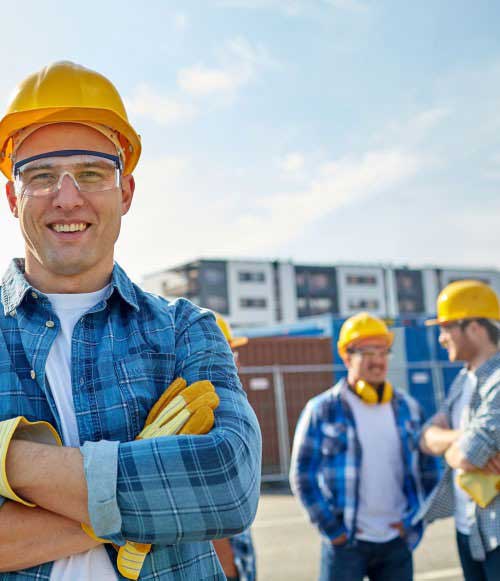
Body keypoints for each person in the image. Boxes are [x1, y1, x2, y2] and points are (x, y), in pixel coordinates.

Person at [0, 61, 261, 580]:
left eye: (92, 173)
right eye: (41, 175)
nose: (67, 196)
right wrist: (161, 503)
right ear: (12, 197)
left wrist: (9, 461)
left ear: (126, 193)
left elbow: (229, 485)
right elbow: (199, 496)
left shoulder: (187, 331)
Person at [289, 312, 438, 581]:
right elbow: (302, 475)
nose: (378, 360)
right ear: (347, 357)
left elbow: (429, 471)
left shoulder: (409, 409)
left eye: (383, 351)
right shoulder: (322, 409)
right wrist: (333, 531)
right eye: (368, 352)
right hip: (346, 544)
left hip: (397, 541)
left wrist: (414, 523)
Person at [419, 280, 500, 581]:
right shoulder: (462, 381)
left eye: (447, 327)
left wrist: (458, 445)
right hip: (469, 529)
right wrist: (466, 435)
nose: (441, 339)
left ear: (476, 328)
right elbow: (426, 437)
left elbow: (467, 456)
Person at [212, 314, 257, 581]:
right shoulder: (195, 418)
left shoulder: (232, 409)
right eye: (227, 352)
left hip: (237, 565)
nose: (234, 362)